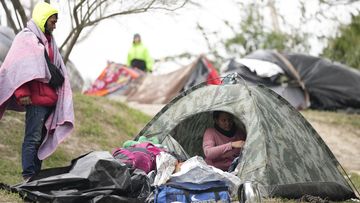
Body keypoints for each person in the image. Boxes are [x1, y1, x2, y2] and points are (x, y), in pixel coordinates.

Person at [0, 2, 74, 181]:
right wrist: (22, 93)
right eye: (52, 21)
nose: (55, 25)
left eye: (56, 21)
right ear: (43, 19)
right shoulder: (26, 38)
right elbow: (18, 68)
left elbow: (57, 69)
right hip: (34, 100)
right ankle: (28, 176)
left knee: (40, 140)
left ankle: (36, 177)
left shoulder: (50, 42)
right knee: (32, 138)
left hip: (50, 100)